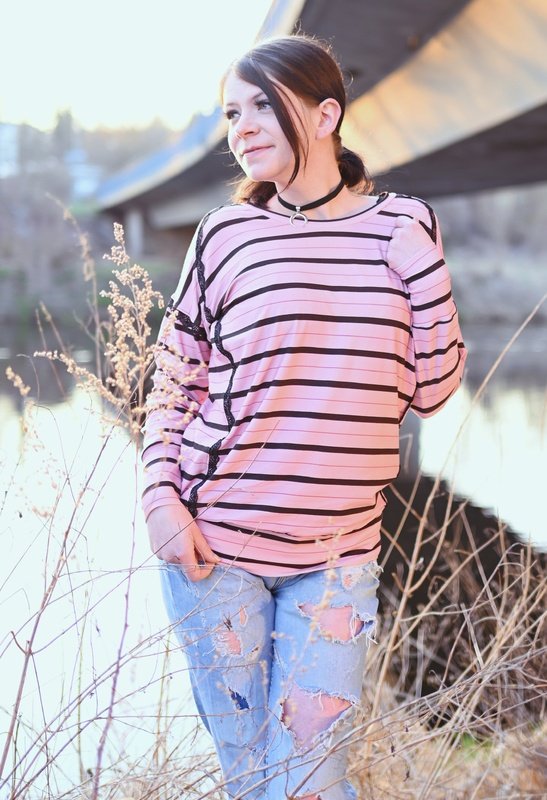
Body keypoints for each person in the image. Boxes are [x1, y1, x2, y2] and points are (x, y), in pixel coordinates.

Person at [141, 34, 467, 800]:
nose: (243, 127)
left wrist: (421, 268)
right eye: (232, 112)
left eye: (263, 105)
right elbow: (174, 380)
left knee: (308, 784)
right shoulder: (225, 234)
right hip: (215, 548)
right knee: (252, 776)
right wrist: (159, 497)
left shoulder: (402, 226)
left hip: (336, 561)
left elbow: (434, 390)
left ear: (325, 116)